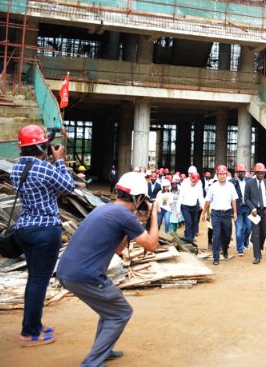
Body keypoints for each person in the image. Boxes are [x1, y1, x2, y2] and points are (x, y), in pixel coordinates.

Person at [56, 172, 160, 366]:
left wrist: (135, 224)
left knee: (109, 311)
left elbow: (119, 249)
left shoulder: (107, 209)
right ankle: (92, 363)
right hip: (86, 275)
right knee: (121, 312)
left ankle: (105, 349)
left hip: (69, 271)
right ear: (138, 198)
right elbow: (152, 244)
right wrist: (154, 216)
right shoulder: (123, 216)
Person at [10, 125, 74, 347]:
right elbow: (68, 187)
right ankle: (29, 332)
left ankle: (33, 324)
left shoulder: (16, 169)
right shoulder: (46, 169)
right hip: (45, 230)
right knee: (39, 281)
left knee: (34, 279)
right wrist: (59, 160)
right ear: (41, 146)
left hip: (24, 229)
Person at [202, 165, 238, 265]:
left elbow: (234, 199)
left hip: (227, 214)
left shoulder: (230, 186)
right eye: (220, 174)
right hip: (216, 214)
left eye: (223, 174)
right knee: (216, 235)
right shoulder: (212, 187)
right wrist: (204, 212)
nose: (222, 176)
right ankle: (216, 257)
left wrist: (235, 212)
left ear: (226, 175)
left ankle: (225, 249)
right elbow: (207, 201)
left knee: (227, 235)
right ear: (217, 175)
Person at [244, 162, 266, 264]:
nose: (261, 175)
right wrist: (252, 208)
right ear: (255, 173)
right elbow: (246, 199)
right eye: (259, 173)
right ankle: (257, 256)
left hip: (264, 211)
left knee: (263, 232)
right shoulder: (249, 183)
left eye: (263, 173)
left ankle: (258, 245)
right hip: (254, 212)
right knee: (256, 234)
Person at [176, 166, 204, 244]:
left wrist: (203, 206)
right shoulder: (185, 182)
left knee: (195, 222)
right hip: (185, 206)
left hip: (194, 205)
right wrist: (178, 209)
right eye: (190, 173)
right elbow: (180, 196)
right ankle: (189, 239)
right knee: (188, 222)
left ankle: (190, 237)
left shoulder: (199, 182)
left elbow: (200, 196)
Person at [230, 162, 250, 256]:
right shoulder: (232, 182)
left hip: (248, 208)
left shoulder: (249, 181)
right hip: (237, 209)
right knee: (239, 229)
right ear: (236, 172)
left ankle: (246, 241)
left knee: (248, 228)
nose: (242, 173)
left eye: (243, 172)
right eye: (240, 172)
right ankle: (240, 248)